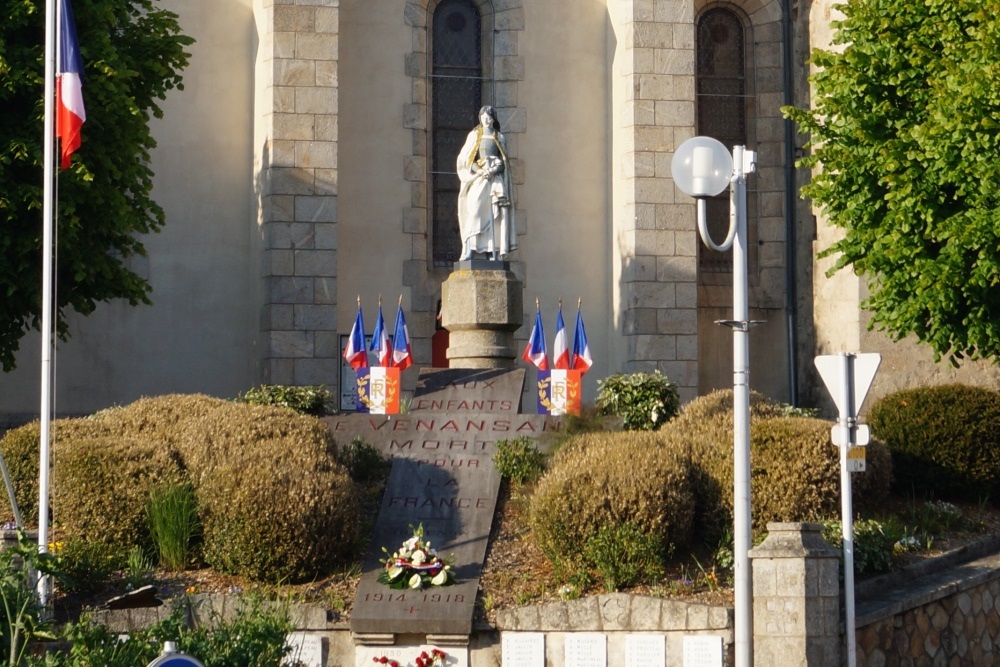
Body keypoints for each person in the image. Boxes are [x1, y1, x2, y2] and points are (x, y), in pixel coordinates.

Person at [456, 105, 517, 261]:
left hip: (495, 182)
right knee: (474, 210)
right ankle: (469, 248)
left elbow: (504, 162)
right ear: (480, 119)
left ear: (493, 119)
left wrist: (494, 170)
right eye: (484, 118)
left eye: (489, 118)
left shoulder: (499, 137)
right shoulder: (474, 135)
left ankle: (492, 251)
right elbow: (467, 159)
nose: (487, 121)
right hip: (479, 179)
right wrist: (480, 170)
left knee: (496, 216)